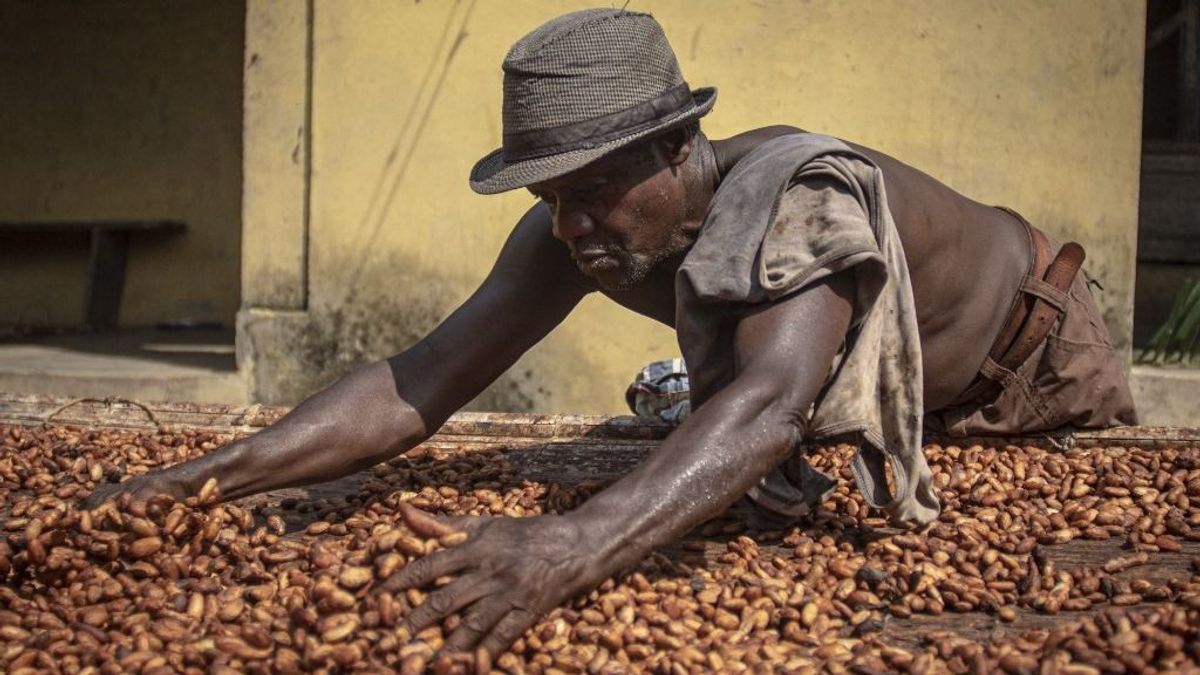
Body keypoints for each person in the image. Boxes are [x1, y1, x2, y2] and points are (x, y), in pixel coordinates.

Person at [85, 8, 1136, 656]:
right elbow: (418, 382)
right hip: (900, 386)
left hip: (1022, 363)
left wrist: (574, 543)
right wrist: (200, 480)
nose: (570, 225)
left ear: (682, 149)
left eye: (593, 190)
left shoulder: (795, 201)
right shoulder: (569, 235)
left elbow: (767, 409)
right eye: (550, 195)